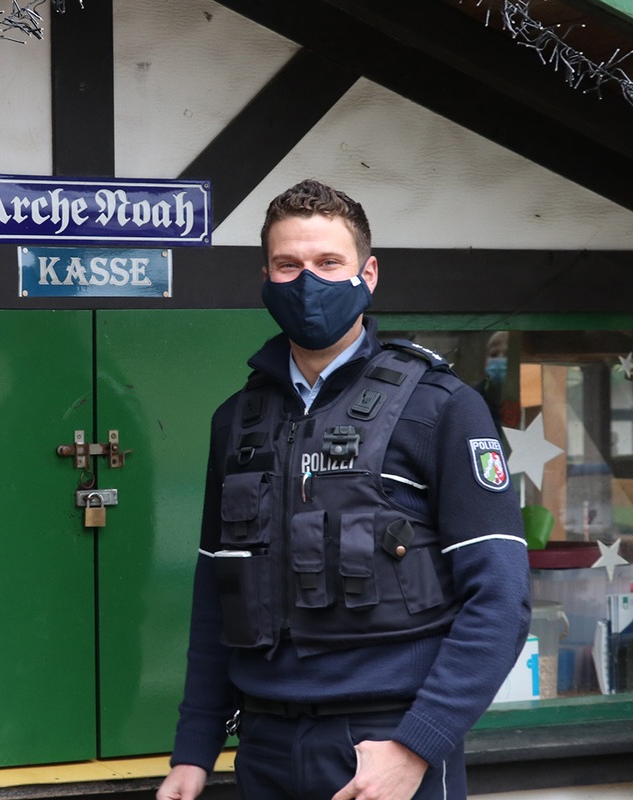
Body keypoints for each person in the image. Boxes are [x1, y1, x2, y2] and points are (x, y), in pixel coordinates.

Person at [157, 180, 530, 800]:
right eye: (288, 265)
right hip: (265, 746)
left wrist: (416, 746)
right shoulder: (237, 420)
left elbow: (501, 597)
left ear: (369, 273)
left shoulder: (441, 408)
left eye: (329, 263)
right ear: (267, 274)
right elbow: (215, 595)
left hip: (384, 742)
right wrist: (194, 750)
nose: (308, 282)